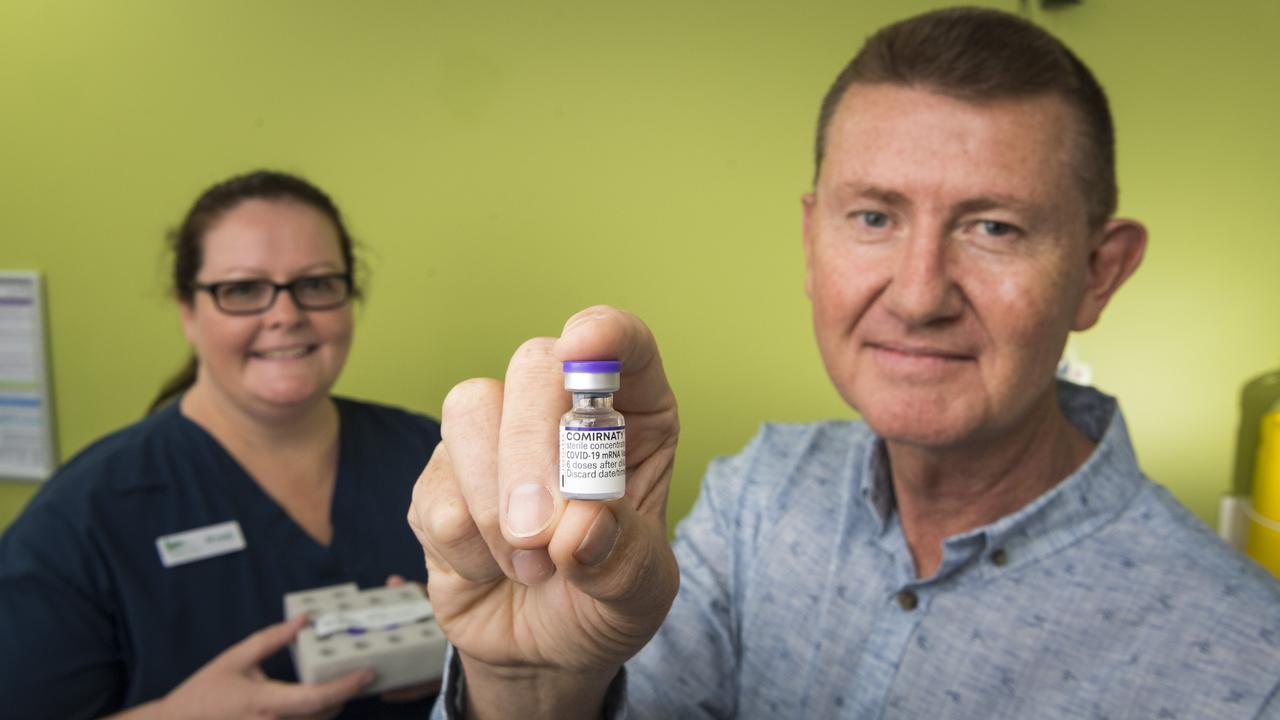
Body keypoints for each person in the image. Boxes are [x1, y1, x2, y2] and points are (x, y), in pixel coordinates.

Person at [408, 7, 1280, 719]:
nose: (917, 294)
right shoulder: (759, 495)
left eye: (994, 227)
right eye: (873, 218)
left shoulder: (1249, 665)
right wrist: (528, 692)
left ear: (1099, 272)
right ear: (811, 238)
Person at [0, 170, 442, 719]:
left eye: (317, 283)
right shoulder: (80, 518)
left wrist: (465, 639)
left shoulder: (435, 457)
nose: (285, 314)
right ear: (188, 310)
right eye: (242, 290)